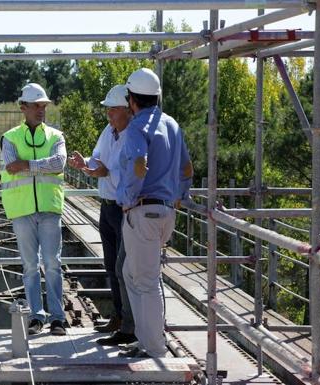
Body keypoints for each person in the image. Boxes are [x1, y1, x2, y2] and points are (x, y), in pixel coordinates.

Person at [117, 68, 193, 358]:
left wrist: (128, 198)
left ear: (132, 100)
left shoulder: (137, 126)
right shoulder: (171, 124)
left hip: (142, 211)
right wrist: (180, 197)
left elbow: (138, 164)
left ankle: (155, 347)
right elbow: (187, 169)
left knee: (145, 281)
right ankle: (146, 338)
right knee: (132, 273)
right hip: (164, 212)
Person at [67, 85, 136, 346]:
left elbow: (120, 171)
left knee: (125, 268)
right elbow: (98, 160)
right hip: (107, 206)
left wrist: (102, 171)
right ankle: (119, 317)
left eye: (112, 108)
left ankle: (131, 323)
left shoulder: (134, 136)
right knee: (111, 265)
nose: (108, 113)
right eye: (107, 108)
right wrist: (84, 163)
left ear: (127, 110)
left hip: (124, 208)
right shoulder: (109, 132)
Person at [0, 83, 67, 336]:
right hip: (22, 210)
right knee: (29, 265)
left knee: (52, 263)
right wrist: (43, 165)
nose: (41, 110)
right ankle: (36, 317)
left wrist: (27, 163)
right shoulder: (9, 137)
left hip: (50, 207)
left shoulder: (56, 136)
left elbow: (59, 162)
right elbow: (10, 165)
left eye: (44, 105)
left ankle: (58, 318)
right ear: (23, 107)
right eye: (36, 105)